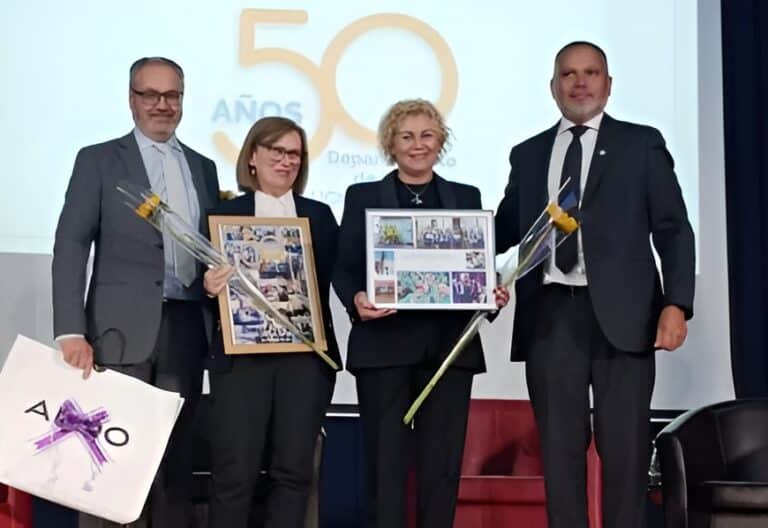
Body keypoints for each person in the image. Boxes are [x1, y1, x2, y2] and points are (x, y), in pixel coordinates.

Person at [495, 41, 695, 528]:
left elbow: (673, 229)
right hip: (551, 318)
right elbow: (503, 235)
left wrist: (677, 305)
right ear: (553, 86)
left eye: (591, 72)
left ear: (608, 84)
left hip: (626, 319)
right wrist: (480, 280)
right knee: (560, 455)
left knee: (625, 454)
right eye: (568, 74)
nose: (579, 82)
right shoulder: (527, 154)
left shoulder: (641, 144)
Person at [52, 57, 220, 527]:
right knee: (108, 460)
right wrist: (69, 329)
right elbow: (70, 244)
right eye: (151, 94)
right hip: (117, 334)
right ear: (132, 99)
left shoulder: (204, 168)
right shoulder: (99, 160)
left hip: (187, 328)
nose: (162, 105)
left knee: (173, 462)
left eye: (172, 96)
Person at [333, 99, 509, 528]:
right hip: (383, 350)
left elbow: (478, 269)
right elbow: (344, 266)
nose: (417, 145)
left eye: (427, 135)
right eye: (406, 136)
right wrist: (357, 299)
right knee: (384, 468)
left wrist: (491, 295)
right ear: (390, 144)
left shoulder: (466, 197)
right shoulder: (363, 196)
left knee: (441, 469)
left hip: (449, 352)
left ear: (441, 141)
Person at [203, 116, 340, 528]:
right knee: (234, 475)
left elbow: (337, 277)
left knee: (294, 474)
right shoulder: (223, 215)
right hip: (243, 363)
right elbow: (198, 289)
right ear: (252, 158)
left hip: (303, 362)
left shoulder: (320, 215)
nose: (286, 161)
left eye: (294, 153)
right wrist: (208, 287)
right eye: (276, 151)